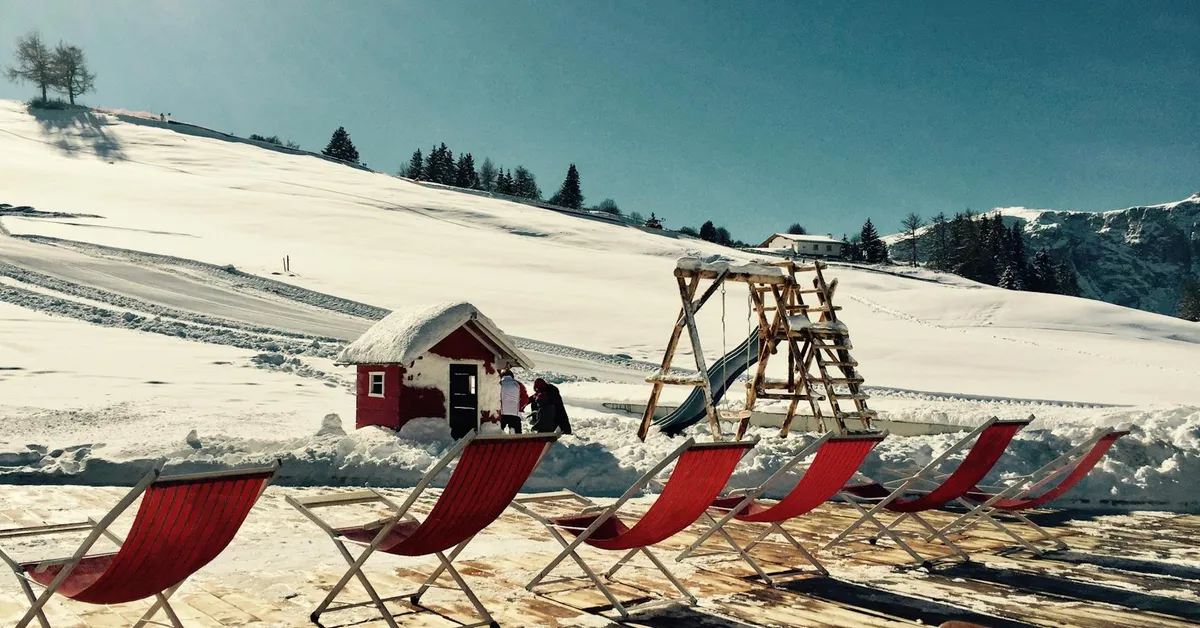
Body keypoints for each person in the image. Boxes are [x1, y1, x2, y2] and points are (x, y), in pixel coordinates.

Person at [498, 369, 530, 434]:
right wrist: (519, 407)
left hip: (502, 414)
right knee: (517, 434)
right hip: (514, 413)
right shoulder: (518, 384)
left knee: (498, 432)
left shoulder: (499, 384)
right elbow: (525, 398)